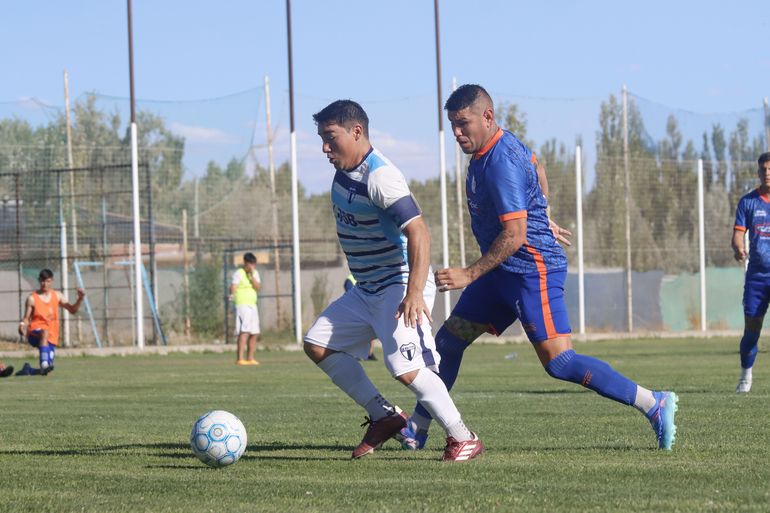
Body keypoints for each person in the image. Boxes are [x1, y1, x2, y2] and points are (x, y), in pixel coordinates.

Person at [398, 84, 679, 451]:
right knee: (448, 342)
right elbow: (537, 166)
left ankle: (653, 402)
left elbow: (515, 234)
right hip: (501, 272)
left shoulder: (500, 162)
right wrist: (542, 211)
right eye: (452, 124)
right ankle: (417, 428)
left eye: (463, 123)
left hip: (533, 271)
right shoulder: (493, 149)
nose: (457, 132)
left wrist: (469, 273)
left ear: (488, 116)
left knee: (559, 362)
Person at [304, 99, 484, 462]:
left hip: (398, 284)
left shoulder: (380, 176)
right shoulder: (343, 173)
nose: (324, 147)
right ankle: (384, 416)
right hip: (367, 288)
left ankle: (464, 437)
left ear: (356, 132)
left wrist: (414, 292)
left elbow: (419, 232)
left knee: (405, 367)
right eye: (321, 138)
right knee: (318, 344)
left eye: (330, 137)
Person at [731, 151, 770, 393]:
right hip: (757, 278)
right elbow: (737, 235)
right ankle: (746, 377)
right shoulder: (748, 202)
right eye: (763, 169)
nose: (767, 173)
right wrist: (738, 247)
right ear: (758, 172)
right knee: (752, 331)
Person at [17, 268, 85, 375]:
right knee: (44, 333)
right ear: (39, 280)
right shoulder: (32, 298)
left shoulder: (57, 296)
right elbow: (26, 318)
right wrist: (22, 325)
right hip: (35, 332)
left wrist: (80, 299)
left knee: (46, 372)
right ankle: (44, 364)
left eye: (48, 281)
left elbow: (72, 310)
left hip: (52, 336)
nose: (45, 284)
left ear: (52, 281)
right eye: (42, 281)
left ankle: (28, 370)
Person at [230, 252, 261, 366]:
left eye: (254, 264)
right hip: (242, 305)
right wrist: (232, 296)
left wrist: (252, 277)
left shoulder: (255, 273)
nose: (252, 266)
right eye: (250, 264)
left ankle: (250, 358)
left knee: (254, 332)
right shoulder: (239, 273)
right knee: (244, 331)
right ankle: (240, 358)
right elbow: (233, 287)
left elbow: (258, 287)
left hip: (253, 305)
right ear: (245, 263)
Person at [344, 273, 377, 361]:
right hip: (356, 311)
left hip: (369, 308)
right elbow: (353, 296)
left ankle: (369, 354)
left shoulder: (369, 276)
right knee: (356, 333)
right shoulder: (350, 279)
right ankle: (355, 354)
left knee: (372, 331)